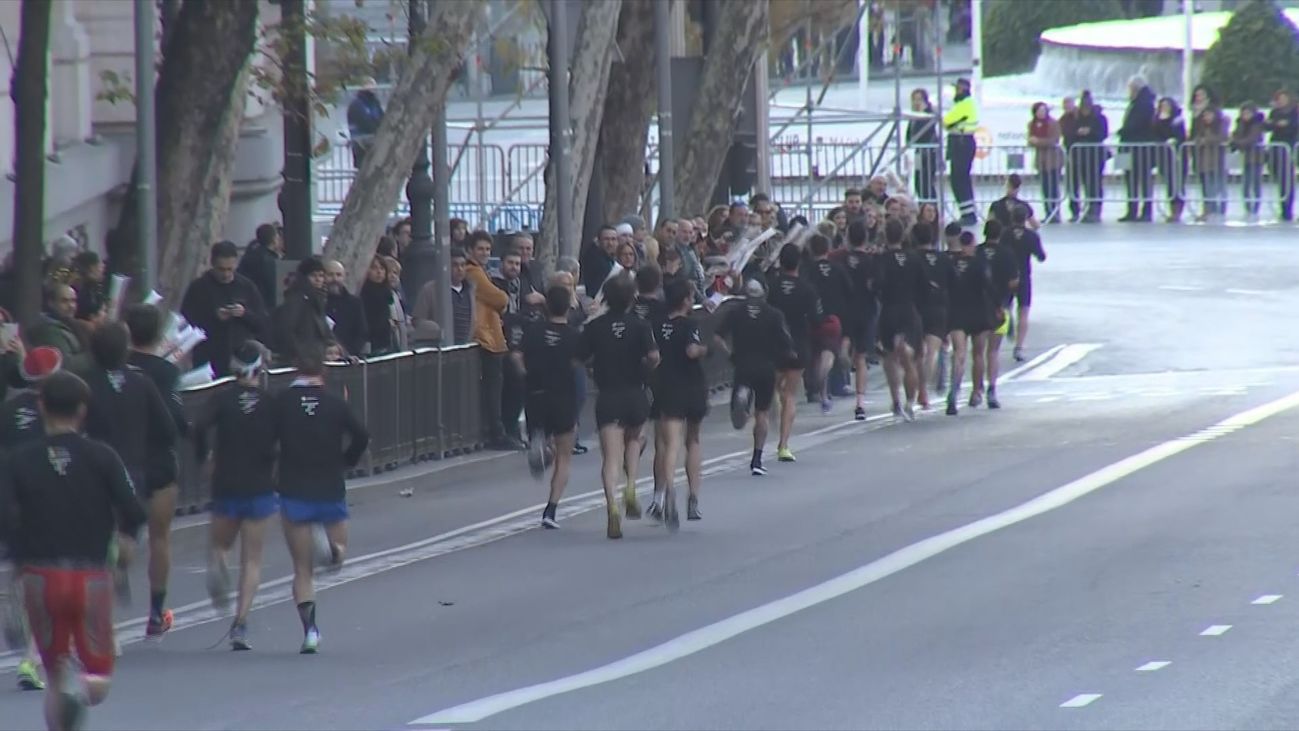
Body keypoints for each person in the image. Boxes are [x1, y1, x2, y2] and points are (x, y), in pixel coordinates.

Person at [0, 371, 147, 731]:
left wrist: (18, 560)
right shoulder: (102, 457)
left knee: (53, 674)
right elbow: (134, 510)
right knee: (97, 676)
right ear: (82, 410)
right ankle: (79, 691)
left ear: (40, 406)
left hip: (39, 576)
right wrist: (126, 541)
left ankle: (64, 703)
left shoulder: (17, 461)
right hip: (91, 575)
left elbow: (5, 516)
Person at [81, 322, 178, 639]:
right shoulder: (142, 382)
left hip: (93, 466)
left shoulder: (86, 383)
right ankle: (122, 558)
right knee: (129, 531)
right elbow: (166, 427)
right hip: (132, 468)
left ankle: (98, 615)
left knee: (96, 535)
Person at [272, 344, 370, 654]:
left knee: (302, 570)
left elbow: (266, 440)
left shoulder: (282, 403)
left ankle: (310, 631)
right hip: (330, 485)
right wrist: (347, 460)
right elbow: (362, 435)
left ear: (295, 369)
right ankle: (331, 550)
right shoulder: (334, 403)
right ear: (323, 371)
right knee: (338, 558)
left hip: (293, 487)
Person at [193, 341, 278, 650]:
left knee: (220, 544)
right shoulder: (270, 402)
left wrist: (205, 457)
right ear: (259, 369)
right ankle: (240, 623)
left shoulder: (221, 399)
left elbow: (199, 426)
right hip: (259, 484)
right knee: (252, 559)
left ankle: (217, 562)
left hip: (227, 481)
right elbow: (279, 441)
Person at [0, 346, 64, 692]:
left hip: (9, 496)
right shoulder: (58, 409)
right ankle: (30, 657)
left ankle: (13, 595)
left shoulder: (9, 408)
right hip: (45, 498)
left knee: (23, 565)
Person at [577, 273, 659, 540]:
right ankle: (632, 485)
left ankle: (612, 505)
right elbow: (654, 357)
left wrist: (592, 369)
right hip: (635, 392)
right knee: (635, 439)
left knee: (610, 458)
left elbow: (579, 357)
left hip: (608, 394)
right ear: (631, 297)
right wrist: (645, 369)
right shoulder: (640, 325)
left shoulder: (595, 327)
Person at [511, 286, 582, 529]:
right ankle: (550, 510)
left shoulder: (532, 330)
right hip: (563, 396)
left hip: (535, 393)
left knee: (540, 430)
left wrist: (525, 373)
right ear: (568, 307)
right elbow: (578, 362)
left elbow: (516, 355)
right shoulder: (574, 335)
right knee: (565, 456)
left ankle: (539, 444)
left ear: (546, 305)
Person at [714, 279, 794, 476]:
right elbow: (786, 344)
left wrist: (729, 355)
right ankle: (757, 459)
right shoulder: (774, 314)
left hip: (742, 365)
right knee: (763, 413)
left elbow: (717, 337)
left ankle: (743, 395)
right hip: (766, 368)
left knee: (738, 420)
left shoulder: (735, 312)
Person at [649, 278, 708, 530]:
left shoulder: (656, 324)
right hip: (692, 385)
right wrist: (705, 349)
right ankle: (693, 497)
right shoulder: (691, 324)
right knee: (692, 439)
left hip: (667, 385)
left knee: (668, 443)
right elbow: (692, 351)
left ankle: (667, 489)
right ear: (685, 300)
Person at [766, 243, 824, 463]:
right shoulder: (807, 289)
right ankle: (783, 445)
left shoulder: (771, 285)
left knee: (774, 385)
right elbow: (817, 319)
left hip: (775, 343)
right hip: (798, 344)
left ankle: (771, 406)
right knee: (791, 393)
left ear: (780, 262)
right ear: (799, 262)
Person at [180, 241, 270, 378]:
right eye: (221, 269)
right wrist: (213, 317)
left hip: (241, 358)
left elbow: (262, 322)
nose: (226, 274)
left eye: (230, 269)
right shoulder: (199, 288)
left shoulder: (246, 286)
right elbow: (186, 322)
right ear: (213, 264)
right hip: (208, 357)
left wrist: (244, 314)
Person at [465, 232, 520, 450]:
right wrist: (501, 300)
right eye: (481, 249)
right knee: (494, 386)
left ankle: (505, 428)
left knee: (506, 383)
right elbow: (500, 298)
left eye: (488, 249)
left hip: (493, 337)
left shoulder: (481, 272)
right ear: (471, 250)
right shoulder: (474, 272)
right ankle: (498, 431)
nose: (485, 253)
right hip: (486, 337)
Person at [875, 219, 925, 420]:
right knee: (909, 358)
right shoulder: (914, 258)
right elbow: (923, 285)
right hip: (909, 309)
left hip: (889, 310)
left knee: (888, 357)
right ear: (903, 236)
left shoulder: (881, 259)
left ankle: (896, 399)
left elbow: (876, 284)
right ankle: (910, 402)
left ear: (886, 236)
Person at [833, 220, 880, 421]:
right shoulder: (871, 261)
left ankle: (843, 352)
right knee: (861, 358)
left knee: (845, 339)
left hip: (845, 309)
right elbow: (875, 286)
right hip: (866, 310)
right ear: (866, 238)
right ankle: (860, 403)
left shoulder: (840, 259)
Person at [945, 230, 992, 416]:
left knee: (959, 353)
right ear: (972, 244)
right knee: (979, 353)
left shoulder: (952, 264)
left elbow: (946, 288)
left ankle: (954, 392)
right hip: (978, 312)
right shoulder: (980, 264)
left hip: (957, 312)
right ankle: (976, 391)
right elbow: (988, 287)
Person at [974, 221, 1019, 409]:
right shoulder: (1007, 254)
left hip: (977, 308)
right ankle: (992, 388)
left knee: (977, 351)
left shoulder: (976, 252)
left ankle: (976, 390)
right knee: (993, 351)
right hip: (1000, 307)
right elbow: (1013, 282)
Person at [805, 234, 852, 414]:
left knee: (816, 355)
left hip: (812, 317)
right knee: (828, 353)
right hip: (833, 319)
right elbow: (849, 292)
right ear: (828, 249)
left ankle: (822, 392)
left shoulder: (807, 269)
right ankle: (825, 379)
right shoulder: (838, 269)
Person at [913, 223, 953, 411]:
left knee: (918, 352)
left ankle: (919, 389)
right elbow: (953, 284)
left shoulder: (912, 259)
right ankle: (924, 390)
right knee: (932, 351)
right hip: (939, 308)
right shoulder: (943, 259)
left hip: (918, 307)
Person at [1002, 207, 1046, 362]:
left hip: (1007, 275)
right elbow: (1041, 257)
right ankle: (1019, 347)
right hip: (1024, 276)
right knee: (1024, 311)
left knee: (1005, 306)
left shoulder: (1004, 234)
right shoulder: (1031, 236)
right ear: (1026, 218)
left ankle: (1007, 322)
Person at [272, 256, 333, 366]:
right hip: (301, 363)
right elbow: (287, 331)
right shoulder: (296, 299)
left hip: (315, 360)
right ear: (304, 277)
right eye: (313, 275)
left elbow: (326, 332)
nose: (318, 279)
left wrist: (343, 352)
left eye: (321, 275)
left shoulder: (318, 300)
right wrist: (300, 356)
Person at [25, 284, 92, 376]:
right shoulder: (49, 330)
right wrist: (92, 356)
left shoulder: (72, 324)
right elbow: (66, 365)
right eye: (65, 301)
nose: (71, 306)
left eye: (73, 301)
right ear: (51, 303)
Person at [1117, 75, 1157, 223]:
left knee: (1142, 179)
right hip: (1130, 147)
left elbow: (1137, 124)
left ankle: (1144, 211)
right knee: (1132, 180)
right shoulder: (1139, 102)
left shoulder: (1144, 104)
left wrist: (1123, 131)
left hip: (1140, 149)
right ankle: (1133, 210)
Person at [943, 77, 980, 225]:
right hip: (961, 142)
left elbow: (947, 121)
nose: (955, 91)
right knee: (961, 179)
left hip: (962, 143)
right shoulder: (964, 103)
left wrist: (948, 124)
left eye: (957, 88)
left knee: (959, 180)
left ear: (963, 89)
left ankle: (968, 215)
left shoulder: (965, 104)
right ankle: (967, 213)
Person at [1073, 91, 1110, 223]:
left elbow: (1103, 134)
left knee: (1095, 182)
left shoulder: (1099, 118)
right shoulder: (1076, 117)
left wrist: (1090, 132)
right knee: (1085, 182)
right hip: (1081, 155)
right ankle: (1089, 207)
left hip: (1096, 155)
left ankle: (1096, 208)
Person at [1152, 97, 1188, 222]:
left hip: (1177, 155)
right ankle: (1171, 209)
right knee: (1169, 183)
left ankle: (1177, 210)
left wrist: (1175, 140)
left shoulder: (1177, 119)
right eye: (1162, 105)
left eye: (1167, 105)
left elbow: (1181, 136)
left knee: (1177, 183)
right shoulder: (1156, 119)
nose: (1165, 107)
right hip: (1163, 155)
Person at [1027, 102, 1064, 223]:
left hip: (1053, 160)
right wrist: (1033, 141)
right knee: (1045, 188)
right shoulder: (1032, 124)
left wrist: (1038, 141)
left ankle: (1055, 213)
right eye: (1039, 110)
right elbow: (1030, 140)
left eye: (1043, 110)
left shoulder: (1053, 123)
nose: (1041, 113)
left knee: (1053, 188)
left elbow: (1054, 140)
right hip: (1041, 161)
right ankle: (1048, 212)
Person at [1230, 102, 1267, 221]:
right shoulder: (1240, 123)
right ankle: (1248, 207)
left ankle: (1255, 207)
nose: (1245, 115)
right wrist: (1235, 141)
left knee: (1255, 183)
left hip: (1256, 157)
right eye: (1243, 113)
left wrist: (1238, 143)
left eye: (1248, 113)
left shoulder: (1257, 124)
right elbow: (1235, 135)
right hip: (1245, 157)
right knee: (1246, 184)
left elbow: (1252, 139)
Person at [323, 260, 368, 356]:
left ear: (344, 277)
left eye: (338, 275)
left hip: (348, 359)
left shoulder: (355, 303)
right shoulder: (317, 303)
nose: (334, 279)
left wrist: (345, 352)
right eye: (330, 275)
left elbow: (361, 333)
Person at [1266, 90, 1298, 221]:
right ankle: (1282, 207)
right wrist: (1276, 124)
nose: (1281, 101)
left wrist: (1285, 125)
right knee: (1280, 180)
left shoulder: (1294, 112)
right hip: (1276, 148)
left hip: (1289, 148)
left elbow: (1294, 126)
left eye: (1284, 98)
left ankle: (1288, 209)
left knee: (1288, 181)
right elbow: (1268, 125)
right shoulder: (1275, 112)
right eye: (1279, 98)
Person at [237, 223, 284, 308]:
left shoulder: (249, 255)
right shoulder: (271, 261)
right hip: (265, 305)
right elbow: (274, 287)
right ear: (274, 239)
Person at [909, 89, 940, 203]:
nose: (916, 103)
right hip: (918, 153)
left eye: (919, 99)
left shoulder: (928, 115)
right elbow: (910, 136)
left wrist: (925, 110)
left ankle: (931, 207)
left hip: (928, 154)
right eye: (914, 100)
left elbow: (923, 132)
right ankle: (922, 206)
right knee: (918, 182)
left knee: (926, 182)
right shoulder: (915, 116)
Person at [347, 78, 384, 168]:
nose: (373, 90)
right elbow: (366, 124)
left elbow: (382, 119)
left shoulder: (375, 103)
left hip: (373, 145)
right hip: (361, 145)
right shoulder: (357, 105)